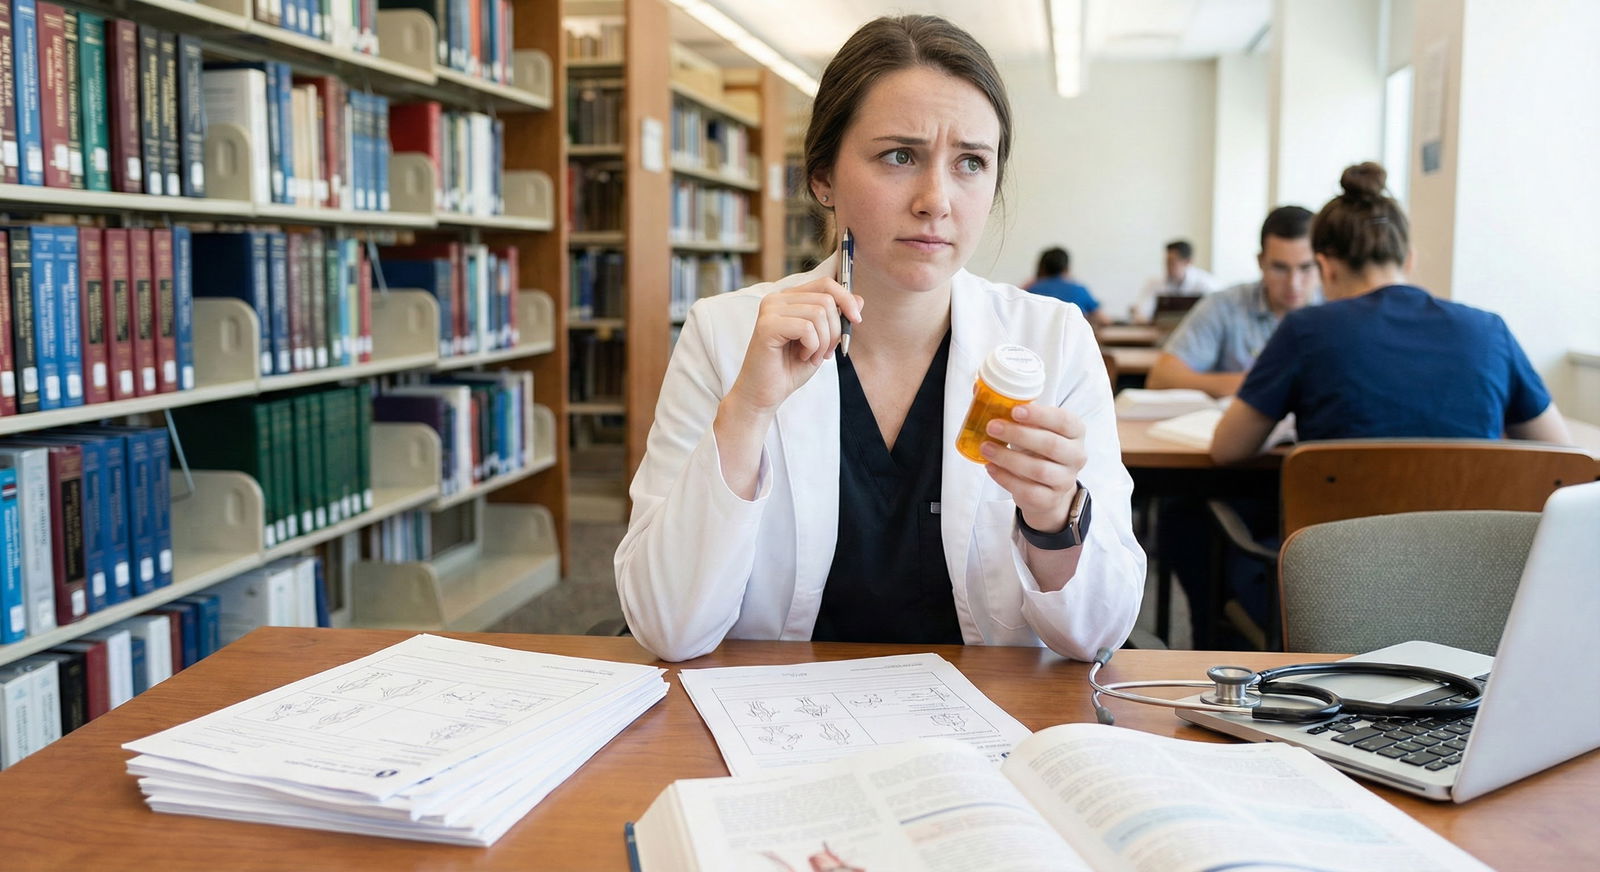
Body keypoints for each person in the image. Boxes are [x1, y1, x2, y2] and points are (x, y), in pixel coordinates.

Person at [615, 15, 1145, 663]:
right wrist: (747, 414)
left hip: (986, 733)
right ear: (822, 178)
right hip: (782, 723)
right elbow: (667, 627)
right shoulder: (724, 335)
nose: (935, 199)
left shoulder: (1053, 339)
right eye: (900, 156)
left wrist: (1054, 518)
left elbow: (1098, 634)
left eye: (971, 163)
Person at [1211, 162, 1571, 464]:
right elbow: (1562, 457)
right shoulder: (1489, 331)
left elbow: (1227, 450)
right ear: (1408, 258)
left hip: (1337, 548)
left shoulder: (1305, 331)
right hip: (1474, 548)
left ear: (1325, 266)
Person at [1147, 206, 1320, 398]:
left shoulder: (1338, 308)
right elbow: (1161, 378)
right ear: (1261, 262)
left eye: (1306, 268)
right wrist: (1264, 383)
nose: (1293, 283)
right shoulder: (1224, 305)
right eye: (1280, 268)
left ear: (1322, 262)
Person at [1130, 239, 1220, 323]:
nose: (1167, 267)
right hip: (1158, 335)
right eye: (1166, 262)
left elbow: (1216, 315)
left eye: (1172, 262)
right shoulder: (1154, 283)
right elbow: (1141, 314)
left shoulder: (1206, 284)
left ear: (1188, 262)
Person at [1024, 247, 1108, 328]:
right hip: (1072, 340)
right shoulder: (1078, 290)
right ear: (1066, 267)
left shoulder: (1032, 289)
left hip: (1037, 340)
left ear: (1041, 267)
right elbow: (1104, 320)